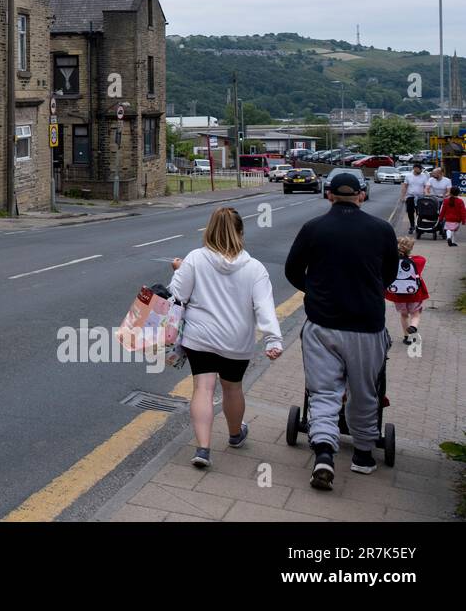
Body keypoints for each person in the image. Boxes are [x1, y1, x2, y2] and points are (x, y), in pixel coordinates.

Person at [285, 171, 399, 489]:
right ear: (361, 195)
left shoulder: (313, 229)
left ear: (329, 195)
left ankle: (323, 453)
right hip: (366, 325)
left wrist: (315, 290)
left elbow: (292, 270)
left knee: (323, 392)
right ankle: (363, 455)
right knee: (365, 392)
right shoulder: (382, 229)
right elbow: (388, 274)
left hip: (323, 325)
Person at [167, 207, 283, 470]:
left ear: (209, 231)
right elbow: (264, 307)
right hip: (236, 340)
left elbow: (177, 294)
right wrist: (273, 340)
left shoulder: (195, 259)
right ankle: (234, 434)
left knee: (203, 389)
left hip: (200, 337)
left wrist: (178, 269)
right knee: (232, 388)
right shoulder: (255, 268)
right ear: (241, 233)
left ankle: (203, 449)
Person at [385, 236, 428, 344]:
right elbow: (423, 259)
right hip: (414, 293)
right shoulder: (418, 261)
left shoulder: (391, 262)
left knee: (404, 316)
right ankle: (413, 326)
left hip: (398, 295)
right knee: (416, 313)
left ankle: (406, 337)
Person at [399, 162, 430, 236]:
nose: (421, 171)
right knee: (410, 212)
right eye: (420, 169)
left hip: (420, 197)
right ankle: (412, 226)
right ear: (415, 169)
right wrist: (402, 196)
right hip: (410, 196)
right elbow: (405, 186)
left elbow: (426, 186)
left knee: (419, 212)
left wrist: (427, 195)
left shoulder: (424, 176)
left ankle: (418, 226)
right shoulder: (408, 176)